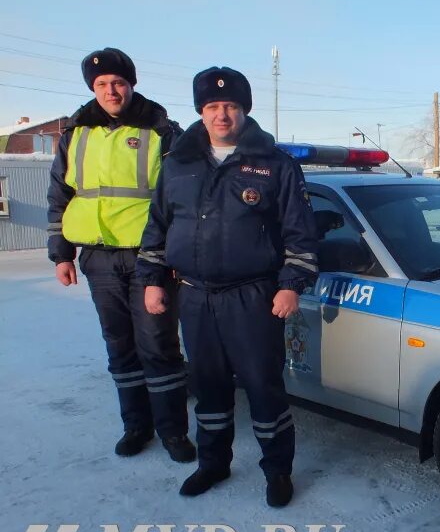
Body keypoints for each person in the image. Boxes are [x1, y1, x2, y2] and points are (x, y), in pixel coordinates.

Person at [136, 66, 318, 507]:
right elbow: (158, 227)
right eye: (213, 107)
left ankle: (277, 471)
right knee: (209, 386)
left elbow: (301, 235)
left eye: (231, 106)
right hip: (194, 295)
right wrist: (152, 280)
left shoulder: (275, 165)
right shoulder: (177, 164)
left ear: (244, 110)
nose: (222, 115)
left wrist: (291, 284)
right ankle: (213, 463)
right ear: (200, 111)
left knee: (262, 385)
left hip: (253, 296)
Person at [47, 47, 195, 462]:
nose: (111, 90)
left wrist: (169, 257)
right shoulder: (75, 135)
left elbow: (178, 200)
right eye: (101, 84)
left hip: (149, 260)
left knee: (158, 344)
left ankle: (173, 433)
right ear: (92, 89)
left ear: (131, 84)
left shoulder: (161, 131)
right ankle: (136, 426)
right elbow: (60, 195)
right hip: (97, 257)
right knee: (119, 345)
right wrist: (60, 254)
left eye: (118, 82)